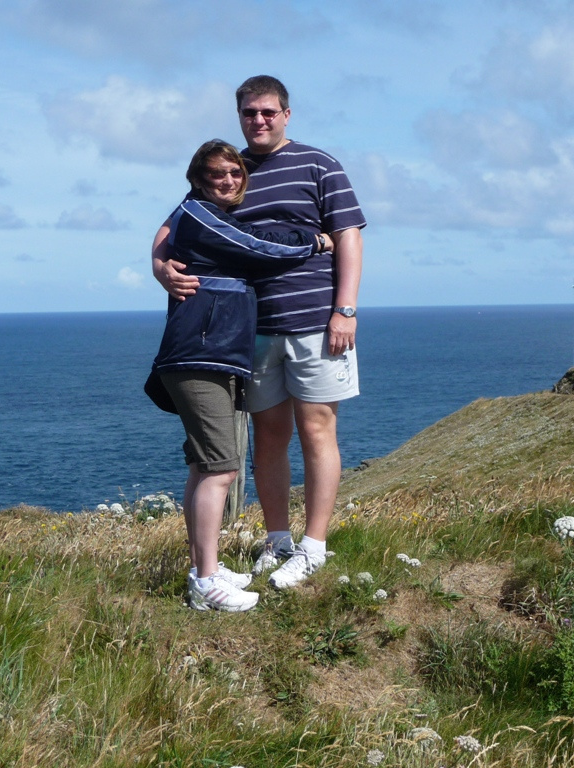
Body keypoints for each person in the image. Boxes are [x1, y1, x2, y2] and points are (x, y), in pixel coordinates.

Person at [154, 76, 366, 590]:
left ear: (287, 114)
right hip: (249, 329)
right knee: (269, 438)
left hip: (317, 320)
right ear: (240, 116)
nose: (259, 121)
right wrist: (160, 267)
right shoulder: (227, 169)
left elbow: (348, 236)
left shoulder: (319, 164)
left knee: (317, 429)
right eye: (250, 113)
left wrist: (346, 309)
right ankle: (278, 540)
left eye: (268, 112)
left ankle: (314, 547)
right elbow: (172, 228)